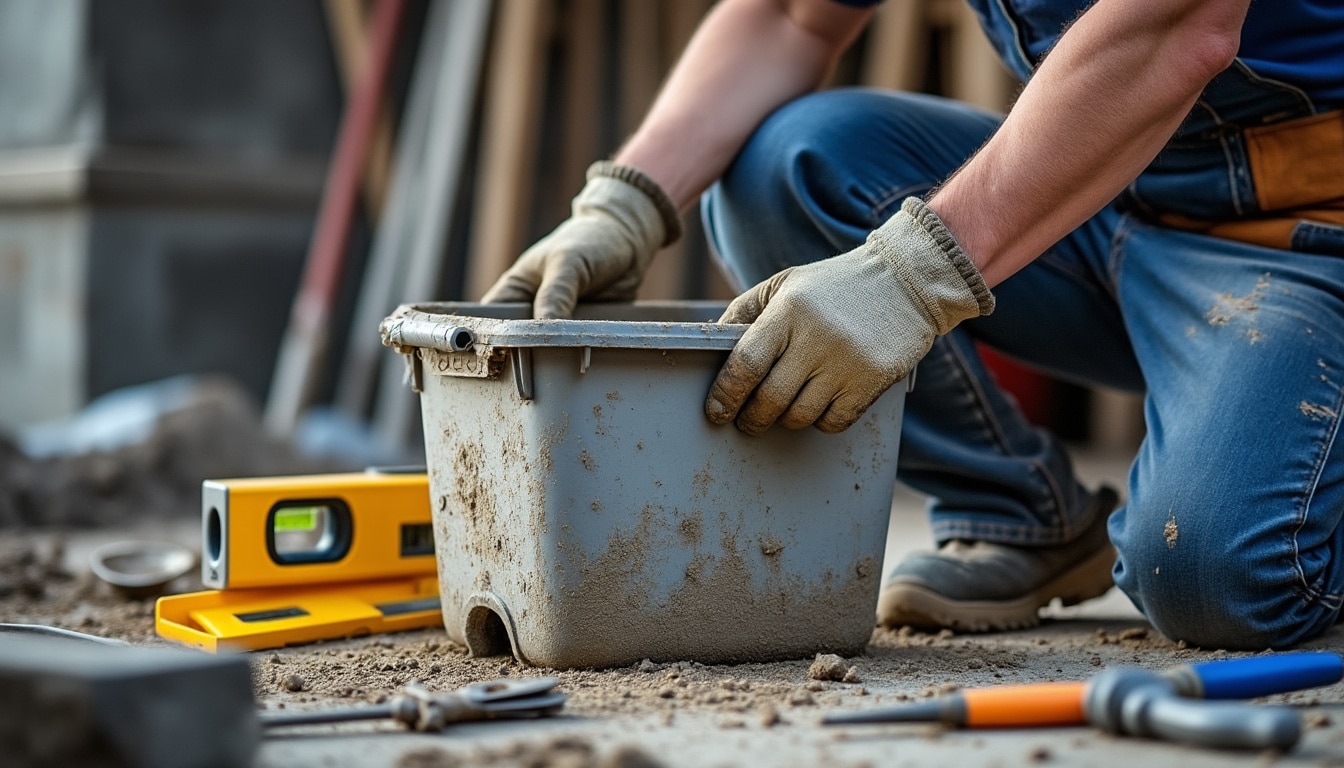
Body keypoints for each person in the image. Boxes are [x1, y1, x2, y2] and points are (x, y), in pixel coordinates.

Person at [483, 0, 1344, 651]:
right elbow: (789, 16)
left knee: (1219, 577)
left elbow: (1176, 31)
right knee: (792, 168)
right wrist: (625, 203)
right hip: (1119, 198)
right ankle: (1021, 514)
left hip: (1309, 240)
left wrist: (908, 279)